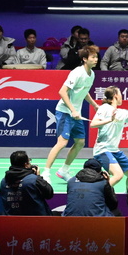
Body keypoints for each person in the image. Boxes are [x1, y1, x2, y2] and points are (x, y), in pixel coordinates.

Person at [44, 46, 101, 180]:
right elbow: (62, 92)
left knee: (80, 142)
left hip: (76, 113)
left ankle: (64, 170)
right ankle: (46, 172)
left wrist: (94, 104)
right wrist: (73, 110)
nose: (96, 59)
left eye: (96, 57)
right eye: (93, 57)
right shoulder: (77, 72)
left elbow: (84, 90)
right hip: (65, 111)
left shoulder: (91, 74)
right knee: (62, 143)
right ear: (85, 59)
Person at [1, 150, 53, 216]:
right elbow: (49, 194)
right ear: (26, 165)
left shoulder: (4, 182)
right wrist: (38, 177)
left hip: (12, 220)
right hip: (36, 220)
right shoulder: (34, 180)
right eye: (29, 161)